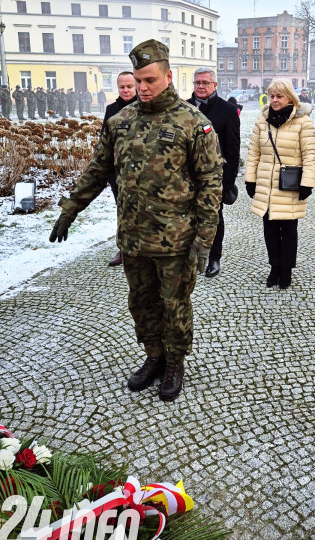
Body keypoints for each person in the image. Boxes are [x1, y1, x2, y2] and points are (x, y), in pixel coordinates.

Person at [49, 39, 224, 401]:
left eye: (150, 80)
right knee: (141, 303)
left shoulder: (194, 123)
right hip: (133, 238)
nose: (143, 88)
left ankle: (175, 361)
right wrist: (71, 208)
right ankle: (154, 356)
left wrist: (204, 239)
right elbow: (97, 171)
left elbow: (211, 184)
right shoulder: (120, 122)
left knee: (174, 305)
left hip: (175, 241)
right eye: (138, 81)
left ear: (169, 76)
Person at [244, 78, 315, 290]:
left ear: (290, 98)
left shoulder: (303, 121)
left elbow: (310, 155)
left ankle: (286, 269)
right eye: (272, 96)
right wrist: (250, 179)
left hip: (290, 184)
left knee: (289, 230)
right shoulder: (262, 120)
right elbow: (253, 153)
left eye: (279, 96)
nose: (275, 100)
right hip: (266, 184)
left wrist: (307, 183)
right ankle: (274, 266)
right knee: (270, 230)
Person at [187, 68, 241, 278]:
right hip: (188, 178)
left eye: (205, 83)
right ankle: (191, 256)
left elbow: (233, 149)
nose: (201, 86)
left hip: (215, 178)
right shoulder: (184, 108)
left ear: (214, 85)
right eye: (197, 82)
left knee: (214, 218)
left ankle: (213, 258)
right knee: (189, 218)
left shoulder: (227, 110)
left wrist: (227, 183)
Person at [102, 71, 138, 267]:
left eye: (129, 86)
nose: (125, 90)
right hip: (119, 174)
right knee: (123, 212)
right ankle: (123, 249)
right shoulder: (112, 110)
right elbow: (104, 143)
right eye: (122, 87)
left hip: (144, 173)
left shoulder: (145, 107)